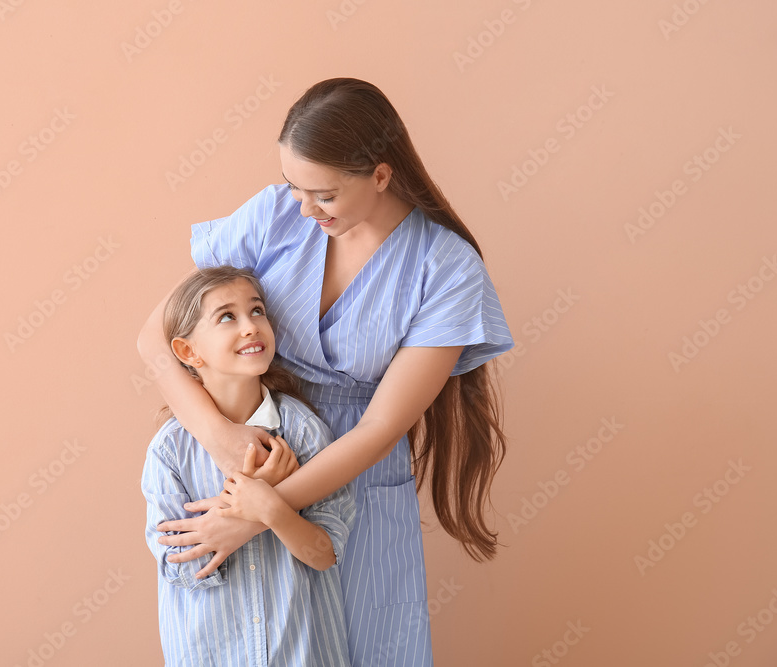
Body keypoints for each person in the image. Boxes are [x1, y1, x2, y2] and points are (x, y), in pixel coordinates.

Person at [137, 78, 514, 665]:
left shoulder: (445, 268)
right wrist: (222, 438)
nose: (305, 208)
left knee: (369, 646)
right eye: (294, 186)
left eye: (325, 195)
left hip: (356, 483)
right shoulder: (277, 214)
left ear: (382, 175)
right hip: (250, 453)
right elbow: (157, 340)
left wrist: (263, 513)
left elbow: (379, 428)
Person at [141, 265, 356, 666]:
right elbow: (182, 567)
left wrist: (271, 508)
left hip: (304, 653)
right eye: (227, 316)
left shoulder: (304, 432)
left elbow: (324, 553)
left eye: (257, 311)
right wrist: (244, 498)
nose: (250, 326)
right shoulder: (171, 451)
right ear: (188, 351)